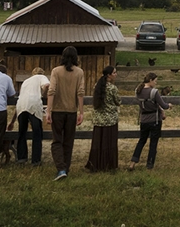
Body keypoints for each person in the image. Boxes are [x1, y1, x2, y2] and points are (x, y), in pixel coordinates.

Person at [46, 46, 85, 181]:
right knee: (68, 141)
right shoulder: (79, 72)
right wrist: (81, 112)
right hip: (71, 111)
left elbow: (51, 90)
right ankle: (65, 168)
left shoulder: (56, 71)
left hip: (57, 111)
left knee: (57, 140)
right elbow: (80, 92)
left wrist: (48, 110)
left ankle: (61, 168)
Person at [127, 72, 172, 171]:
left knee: (141, 141)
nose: (156, 83)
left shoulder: (138, 90)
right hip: (154, 120)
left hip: (143, 119)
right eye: (155, 81)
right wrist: (169, 105)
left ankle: (133, 162)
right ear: (150, 80)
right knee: (153, 143)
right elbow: (163, 105)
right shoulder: (154, 92)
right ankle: (150, 165)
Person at [7, 67, 49, 166]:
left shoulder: (26, 82)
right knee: (37, 133)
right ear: (42, 73)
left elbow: (21, 98)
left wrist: (12, 122)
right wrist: (44, 95)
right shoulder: (41, 77)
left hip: (21, 106)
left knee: (22, 132)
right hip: (33, 105)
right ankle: (36, 160)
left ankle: (22, 157)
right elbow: (47, 85)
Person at [85, 65, 121, 172]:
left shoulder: (97, 86)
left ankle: (96, 163)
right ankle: (108, 164)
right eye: (114, 73)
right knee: (109, 143)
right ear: (109, 75)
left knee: (98, 143)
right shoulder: (112, 88)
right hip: (110, 120)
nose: (116, 74)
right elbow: (118, 101)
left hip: (98, 120)